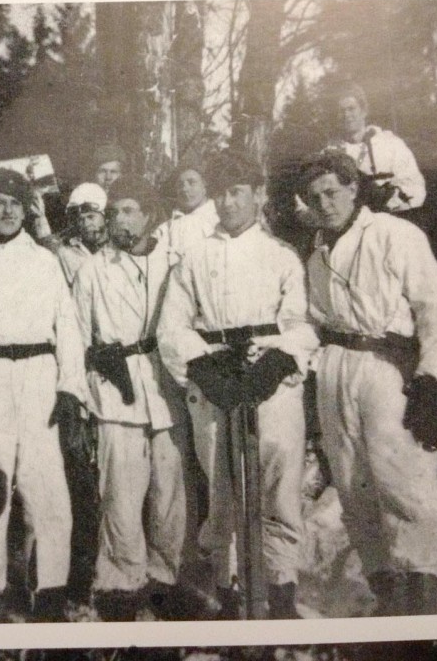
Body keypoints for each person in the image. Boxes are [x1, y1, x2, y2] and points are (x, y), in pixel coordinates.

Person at [299, 151, 437, 616]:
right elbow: (313, 318)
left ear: (354, 188)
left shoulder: (395, 234)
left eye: (332, 191)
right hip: (335, 367)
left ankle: (421, 599)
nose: (325, 203)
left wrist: (436, 379)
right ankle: (388, 596)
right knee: (353, 487)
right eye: (315, 197)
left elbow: (436, 308)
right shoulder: (317, 251)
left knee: (403, 480)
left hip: (385, 364)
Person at [158, 152, 317, 620]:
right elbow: (173, 327)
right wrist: (201, 367)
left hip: (270, 380)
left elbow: (301, 323)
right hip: (216, 379)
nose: (228, 203)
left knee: (278, 484)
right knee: (221, 489)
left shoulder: (281, 255)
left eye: (238, 192)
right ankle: (230, 593)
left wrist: (279, 358)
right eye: (221, 193)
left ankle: (279, 590)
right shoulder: (194, 257)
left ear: (258, 195)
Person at [0, 168, 88, 622]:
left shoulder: (44, 261)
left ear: (27, 210)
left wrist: (69, 389)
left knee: (49, 492)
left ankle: (48, 597)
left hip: (39, 377)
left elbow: (67, 327)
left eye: (15, 203)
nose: (7, 211)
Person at [72, 176, 191, 621]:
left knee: (170, 489)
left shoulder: (173, 262)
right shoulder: (93, 270)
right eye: (114, 211)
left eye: (129, 210)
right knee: (120, 492)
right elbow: (78, 336)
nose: (120, 220)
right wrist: (87, 387)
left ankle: (166, 577)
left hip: (165, 384)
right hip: (114, 386)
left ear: (149, 215)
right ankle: (122, 582)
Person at [328, 81, 426, 212]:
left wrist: (394, 203)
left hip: (390, 217)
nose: (346, 115)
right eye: (341, 111)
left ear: (364, 111)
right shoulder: (331, 152)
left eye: (351, 109)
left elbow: (413, 185)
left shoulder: (390, 144)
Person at [153, 150, 219, 257]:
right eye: (180, 185)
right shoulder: (168, 226)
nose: (185, 189)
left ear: (204, 186)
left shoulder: (218, 219)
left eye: (192, 182)